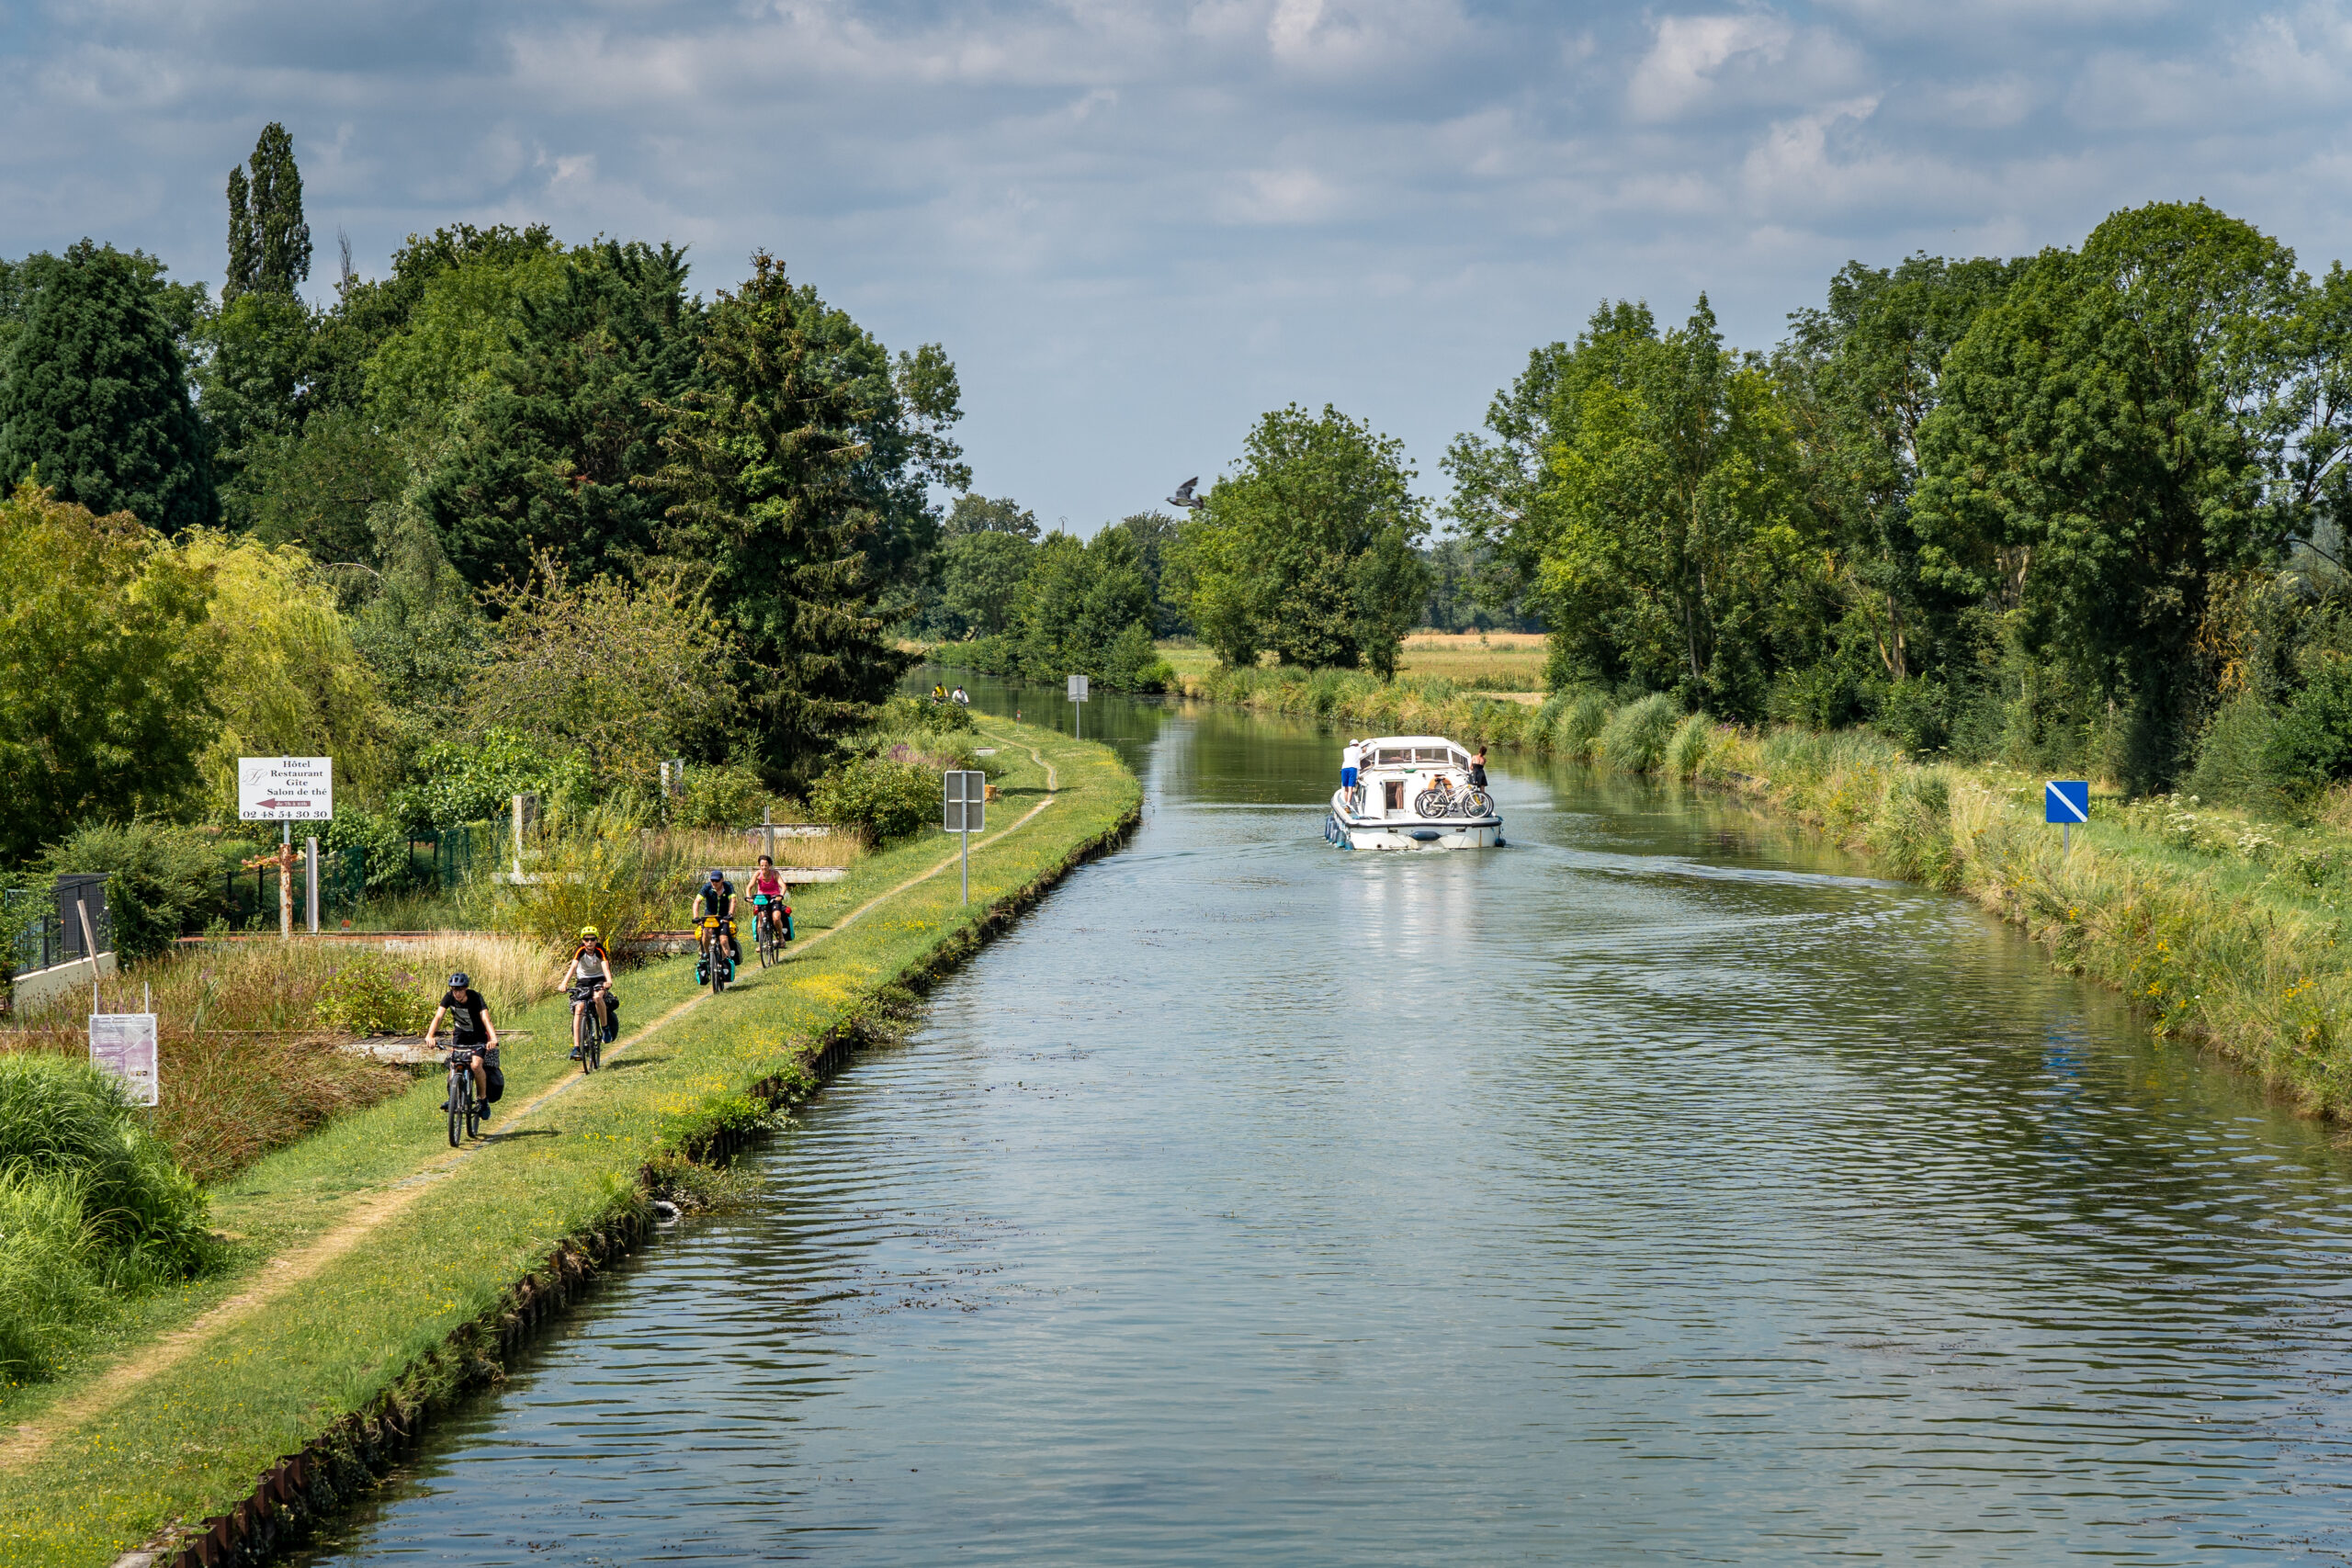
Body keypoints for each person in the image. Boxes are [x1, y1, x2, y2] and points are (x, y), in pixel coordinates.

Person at [425, 971, 503, 1116]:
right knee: (454, 1064)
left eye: (460, 989)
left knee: (475, 1065)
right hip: (460, 1035)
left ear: (466, 988)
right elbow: (438, 1016)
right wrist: (430, 1035)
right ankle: (453, 1098)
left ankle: (483, 1100)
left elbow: (486, 1018)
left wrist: (493, 1038)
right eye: (454, 989)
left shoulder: (475, 997)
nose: (457, 993)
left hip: (478, 1036)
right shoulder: (449, 997)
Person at [564, 926, 614, 1056]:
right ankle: (576, 1048)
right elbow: (573, 967)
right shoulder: (580, 950)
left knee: (598, 998)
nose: (590, 942)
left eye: (593, 939)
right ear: (583, 941)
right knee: (579, 1008)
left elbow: (605, 967)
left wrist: (608, 981)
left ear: (597, 940)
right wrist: (564, 983)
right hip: (583, 980)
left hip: (598, 979)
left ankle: (605, 1028)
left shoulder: (599, 950)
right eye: (587, 939)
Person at [693, 867, 740, 982]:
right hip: (710, 916)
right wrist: (696, 917)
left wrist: (730, 914)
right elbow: (697, 901)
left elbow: (733, 901)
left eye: (716, 881)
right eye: (712, 880)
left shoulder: (728, 886)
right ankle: (706, 955)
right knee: (706, 933)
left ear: (722, 880)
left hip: (723, 917)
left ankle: (726, 963)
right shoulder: (707, 887)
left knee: (724, 940)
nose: (714, 883)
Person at [748, 853, 792, 948]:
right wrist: (749, 897)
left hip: (774, 898)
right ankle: (761, 943)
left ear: (770, 865)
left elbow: (783, 886)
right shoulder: (757, 874)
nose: (764, 868)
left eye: (766, 865)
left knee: (776, 918)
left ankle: (781, 937)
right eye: (761, 866)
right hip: (761, 899)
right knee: (761, 917)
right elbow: (749, 887)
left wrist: (781, 895)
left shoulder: (775, 874)